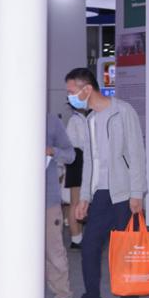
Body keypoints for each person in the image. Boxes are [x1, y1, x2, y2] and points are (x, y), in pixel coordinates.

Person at [61, 68, 147, 298]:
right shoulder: (89, 120)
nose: (69, 97)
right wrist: (84, 197)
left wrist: (137, 193)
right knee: (89, 248)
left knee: (125, 252)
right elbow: (90, 160)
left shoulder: (123, 112)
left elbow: (136, 153)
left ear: (87, 89)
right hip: (100, 194)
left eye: (72, 91)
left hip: (124, 194)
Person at [46, 113, 77, 298]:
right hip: (12, 204)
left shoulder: (51, 121)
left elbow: (70, 154)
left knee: (54, 250)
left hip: (48, 200)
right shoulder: (3, 117)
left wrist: (52, 151)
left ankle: (63, 296)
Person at [64, 105, 90, 249]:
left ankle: (79, 237)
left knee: (80, 201)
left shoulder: (85, 118)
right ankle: (75, 238)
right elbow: (78, 142)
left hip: (82, 160)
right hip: (77, 160)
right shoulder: (74, 120)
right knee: (75, 201)